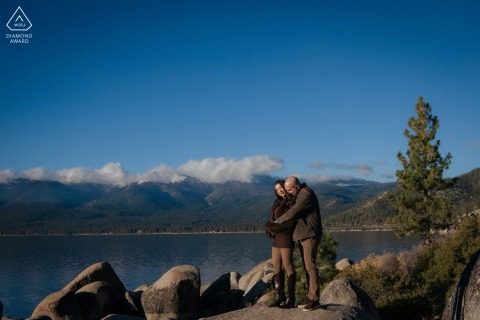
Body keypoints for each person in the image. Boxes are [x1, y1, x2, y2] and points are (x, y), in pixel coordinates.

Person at [275, 176, 323, 311]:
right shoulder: (298, 193)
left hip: (310, 234)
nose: (288, 192)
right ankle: (309, 296)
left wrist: (278, 221)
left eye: (289, 189)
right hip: (303, 235)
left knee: (310, 266)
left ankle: (314, 299)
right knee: (306, 266)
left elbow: (295, 211)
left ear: (296, 186)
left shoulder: (306, 193)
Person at [264, 180, 297, 308]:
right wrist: (271, 229)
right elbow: (273, 220)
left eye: (281, 188)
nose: (279, 190)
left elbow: (291, 223)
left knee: (288, 266)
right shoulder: (277, 203)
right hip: (277, 238)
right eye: (277, 189)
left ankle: (291, 299)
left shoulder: (292, 201)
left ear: (285, 187)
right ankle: (280, 296)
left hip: (286, 237)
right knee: (276, 266)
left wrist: (274, 227)